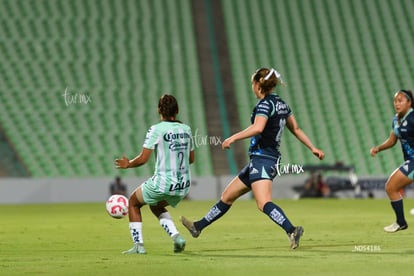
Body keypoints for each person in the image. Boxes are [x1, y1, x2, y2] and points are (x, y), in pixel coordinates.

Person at [180, 67, 325, 249]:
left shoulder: (265, 105)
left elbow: (258, 128)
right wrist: (312, 147)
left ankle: (292, 230)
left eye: (252, 83)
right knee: (227, 196)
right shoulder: (282, 104)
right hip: (261, 159)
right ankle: (198, 226)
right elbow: (295, 128)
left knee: (263, 202)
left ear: (258, 85)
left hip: (264, 159)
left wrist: (232, 138)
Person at [115, 94, 195, 254]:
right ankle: (177, 237)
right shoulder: (186, 129)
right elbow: (191, 159)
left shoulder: (156, 129)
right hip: (183, 185)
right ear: (177, 110)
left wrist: (128, 164)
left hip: (164, 183)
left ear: (159, 110)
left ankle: (139, 246)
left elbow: (143, 159)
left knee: (133, 202)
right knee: (155, 205)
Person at [370, 89, 414, 233]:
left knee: (391, 186)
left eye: (400, 100)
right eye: (395, 100)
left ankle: (400, 222)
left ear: (409, 102)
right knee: (391, 188)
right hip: (410, 161)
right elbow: (392, 140)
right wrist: (378, 148)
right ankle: (400, 222)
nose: (396, 103)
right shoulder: (396, 119)